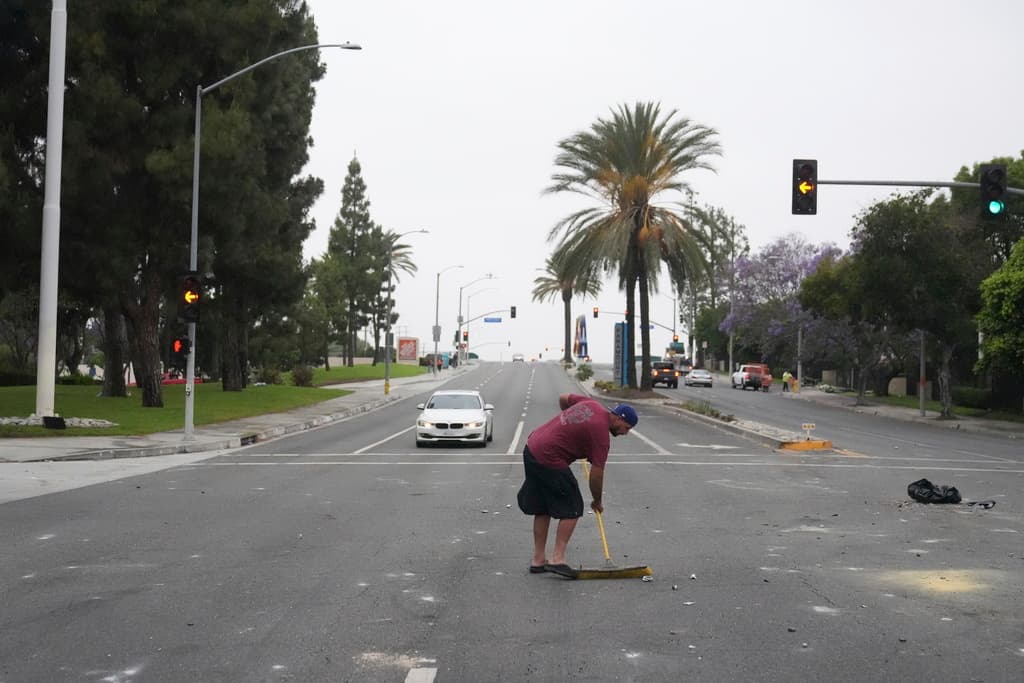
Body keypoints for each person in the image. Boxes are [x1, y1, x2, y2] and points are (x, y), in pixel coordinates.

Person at [516, 393, 638, 578]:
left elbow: (563, 398)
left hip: (532, 448)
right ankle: (557, 559)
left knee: (542, 507)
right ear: (618, 417)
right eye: (626, 427)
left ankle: (538, 560)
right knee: (573, 507)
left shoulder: (591, 404)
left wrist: (571, 424)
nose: (625, 433)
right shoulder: (601, 436)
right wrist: (597, 501)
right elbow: (597, 474)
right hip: (549, 457)